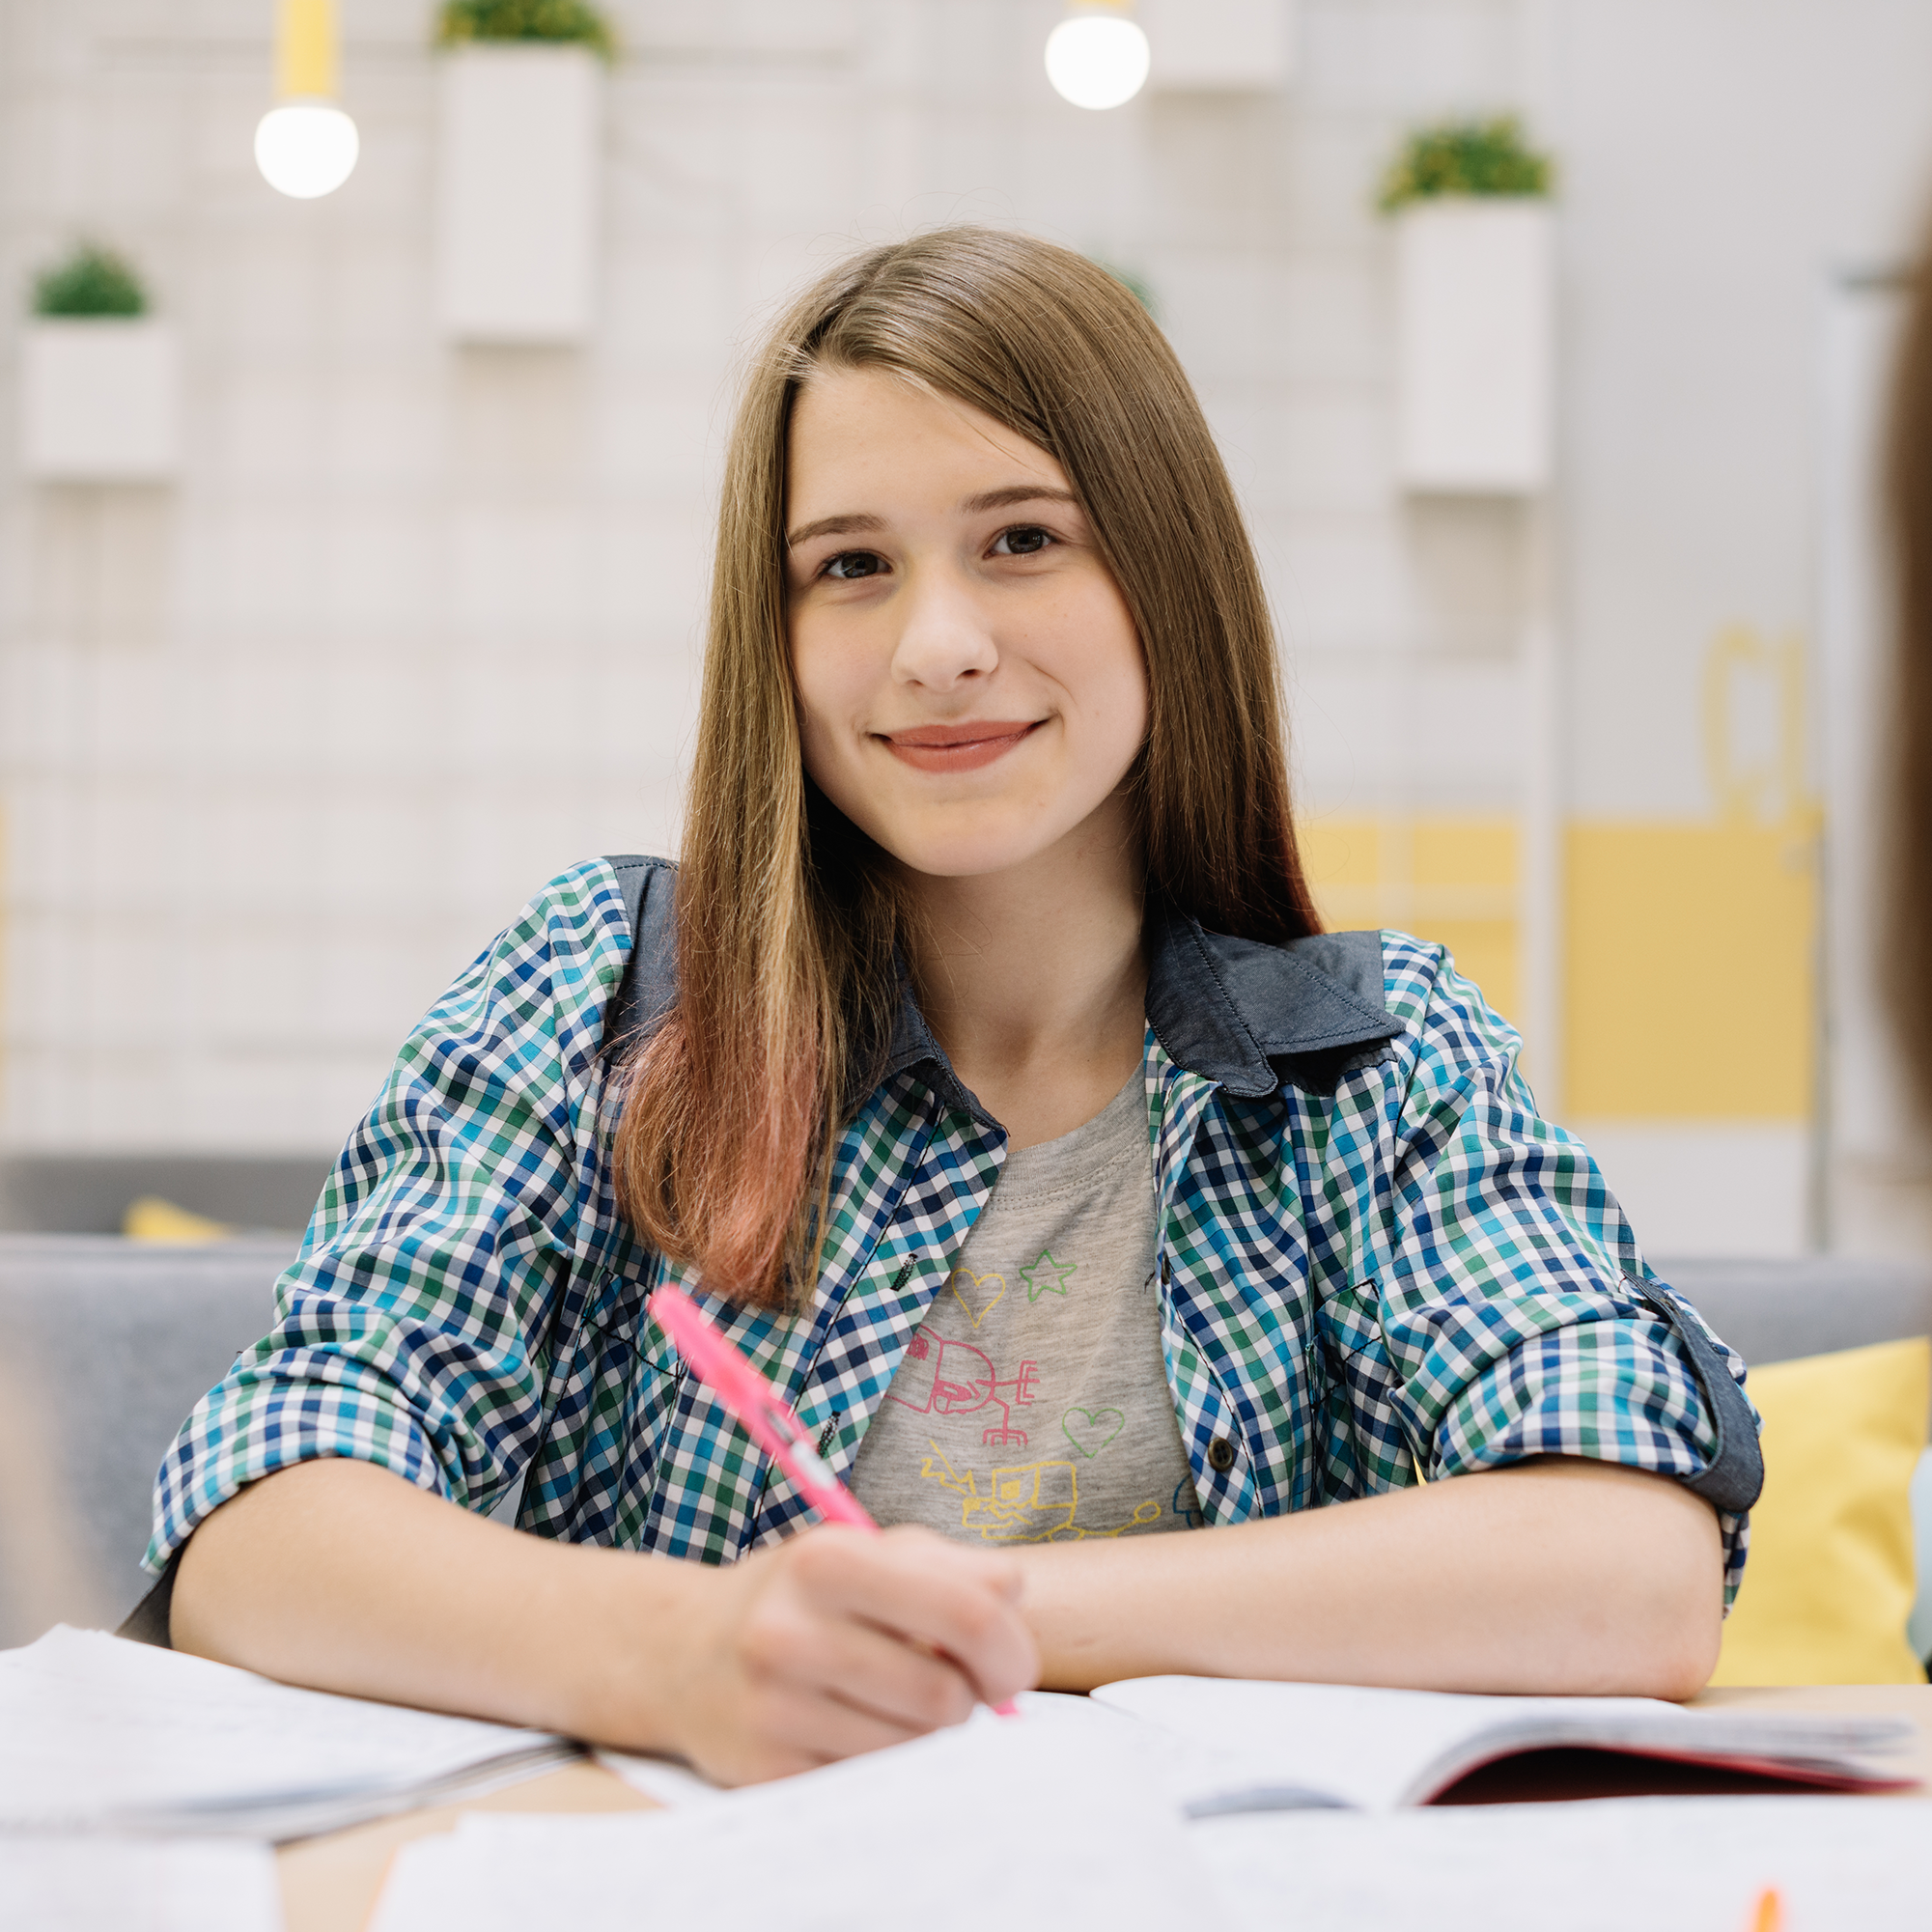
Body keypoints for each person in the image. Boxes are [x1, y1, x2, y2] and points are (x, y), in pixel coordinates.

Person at [154, 227, 1759, 1787]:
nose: (937, 647)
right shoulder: (605, 994)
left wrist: (957, 1623)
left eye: (1022, 540)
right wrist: (693, 1653)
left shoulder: (1368, 1059)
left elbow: (1628, 1560)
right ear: (772, 638)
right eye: (850, 567)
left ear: (1167, 575)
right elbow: (265, 1521)